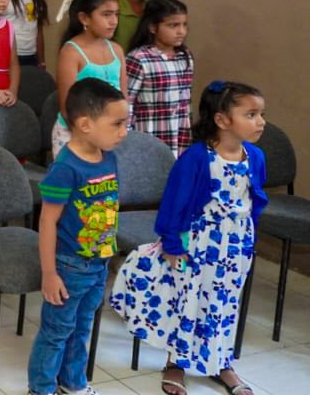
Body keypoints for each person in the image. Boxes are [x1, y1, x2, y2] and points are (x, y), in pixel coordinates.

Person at [111, 81, 267, 395]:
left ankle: (221, 363)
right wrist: (172, 245)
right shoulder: (197, 157)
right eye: (251, 114)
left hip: (235, 247)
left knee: (225, 304)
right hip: (198, 245)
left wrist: (248, 240)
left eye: (261, 114)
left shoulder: (255, 156)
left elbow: (253, 201)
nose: (260, 122)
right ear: (222, 120)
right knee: (187, 302)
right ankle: (176, 363)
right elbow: (175, 202)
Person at [29, 78, 126, 395]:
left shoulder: (108, 157)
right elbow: (47, 221)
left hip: (99, 263)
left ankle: (72, 383)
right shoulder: (66, 167)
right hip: (70, 265)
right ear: (85, 124)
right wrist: (49, 273)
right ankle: (41, 388)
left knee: (82, 327)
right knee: (56, 332)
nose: (124, 132)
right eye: (117, 124)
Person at [53, 0, 126, 156]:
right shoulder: (71, 52)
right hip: (78, 135)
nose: (114, 21)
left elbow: (123, 97)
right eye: (106, 14)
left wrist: (117, 129)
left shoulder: (117, 50)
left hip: (110, 134)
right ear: (84, 18)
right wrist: (95, 137)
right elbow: (67, 107)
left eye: (116, 14)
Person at [125, 0, 194, 155]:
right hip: (149, 139)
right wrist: (126, 140)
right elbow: (127, 102)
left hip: (179, 140)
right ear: (153, 27)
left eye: (184, 24)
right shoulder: (139, 58)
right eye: (173, 25)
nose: (181, 31)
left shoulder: (185, 57)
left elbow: (185, 102)